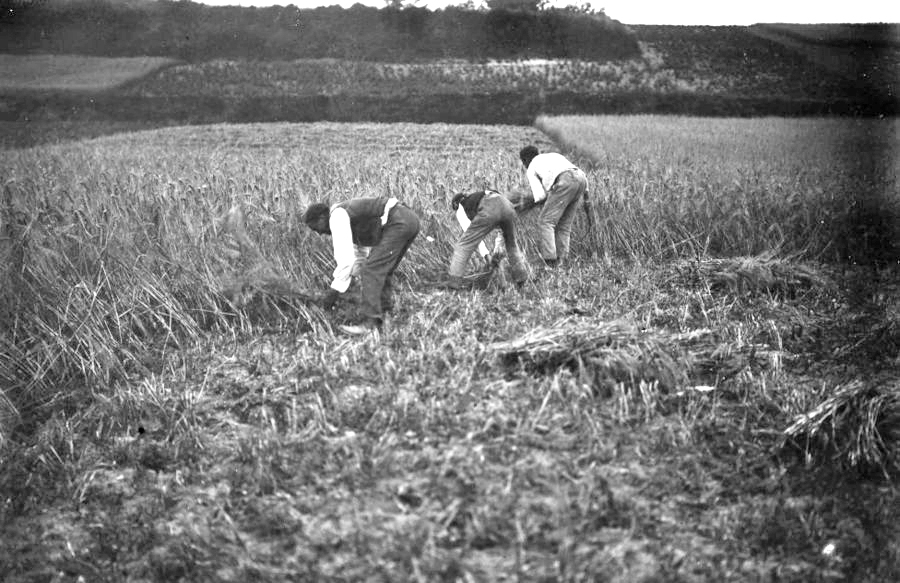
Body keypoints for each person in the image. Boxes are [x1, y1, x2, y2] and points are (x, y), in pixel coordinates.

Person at [303, 196, 419, 331]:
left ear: (322, 218)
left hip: (398, 221)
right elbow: (360, 257)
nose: (320, 234)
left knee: (372, 270)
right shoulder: (348, 217)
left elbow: (346, 260)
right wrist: (351, 283)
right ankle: (385, 313)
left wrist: (334, 291)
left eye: (316, 229)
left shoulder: (337, 216)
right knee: (382, 269)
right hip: (409, 219)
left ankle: (370, 323)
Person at [519, 145, 590, 266]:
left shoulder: (531, 167)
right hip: (582, 180)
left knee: (545, 221)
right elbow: (576, 172)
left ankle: (550, 262)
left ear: (525, 160)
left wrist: (525, 206)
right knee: (563, 225)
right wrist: (587, 199)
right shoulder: (554, 156)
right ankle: (563, 262)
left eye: (523, 162)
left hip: (565, 182)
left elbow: (540, 196)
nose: (524, 166)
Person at [447, 189, 528, 290]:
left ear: (456, 204)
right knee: (511, 244)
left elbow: (472, 239)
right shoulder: (478, 195)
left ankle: (453, 283)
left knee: (463, 245)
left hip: (490, 207)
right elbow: (500, 201)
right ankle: (521, 277)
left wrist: (485, 255)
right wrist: (494, 253)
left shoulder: (460, 207)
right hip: (507, 205)